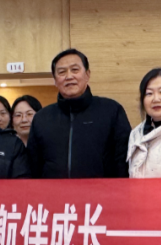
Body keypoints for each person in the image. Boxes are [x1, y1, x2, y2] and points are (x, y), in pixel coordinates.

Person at [28, 48, 131, 178]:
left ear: (87, 74)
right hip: (53, 191)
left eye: (75, 70)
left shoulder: (111, 110)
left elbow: (123, 160)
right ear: (55, 80)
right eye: (62, 72)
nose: (69, 76)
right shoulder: (42, 118)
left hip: (101, 190)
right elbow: (34, 166)